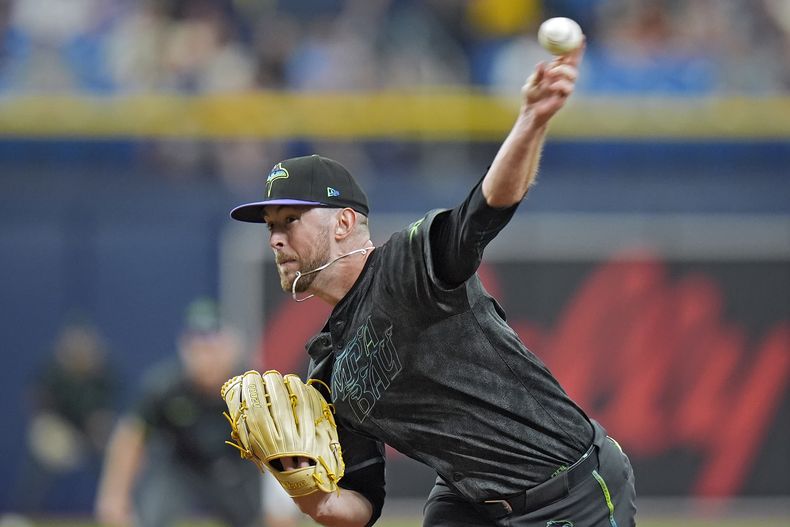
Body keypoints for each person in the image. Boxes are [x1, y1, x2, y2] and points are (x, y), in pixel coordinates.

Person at [228, 42, 636, 526]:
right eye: (270, 226)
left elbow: (487, 207)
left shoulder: (407, 266)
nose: (275, 239)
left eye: (289, 220)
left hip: (565, 485)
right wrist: (307, 494)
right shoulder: (328, 365)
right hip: (467, 502)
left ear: (342, 223)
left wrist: (531, 120)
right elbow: (361, 504)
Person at [95, 299, 298, 527]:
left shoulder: (255, 390)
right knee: (151, 516)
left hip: (237, 472)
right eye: (198, 349)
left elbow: (282, 447)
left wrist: (281, 505)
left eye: (213, 348)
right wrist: (114, 497)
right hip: (181, 468)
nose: (206, 359)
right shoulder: (165, 387)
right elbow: (131, 437)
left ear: (231, 347)